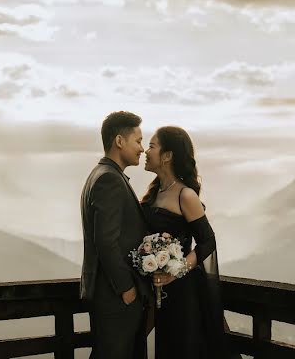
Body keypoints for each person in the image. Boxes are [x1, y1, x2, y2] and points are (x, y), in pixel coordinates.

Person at [140, 126, 230, 358]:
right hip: (161, 293)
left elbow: (208, 242)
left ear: (167, 156)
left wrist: (175, 271)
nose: (146, 152)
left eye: (151, 146)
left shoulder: (185, 195)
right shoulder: (154, 193)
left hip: (184, 292)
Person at [81, 111, 152, 358]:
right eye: (138, 140)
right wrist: (126, 288)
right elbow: (105, 240)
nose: (142, 148)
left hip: (110, 295)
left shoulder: (101, 174)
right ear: (120, 141)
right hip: (115, 297)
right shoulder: (109, 179)